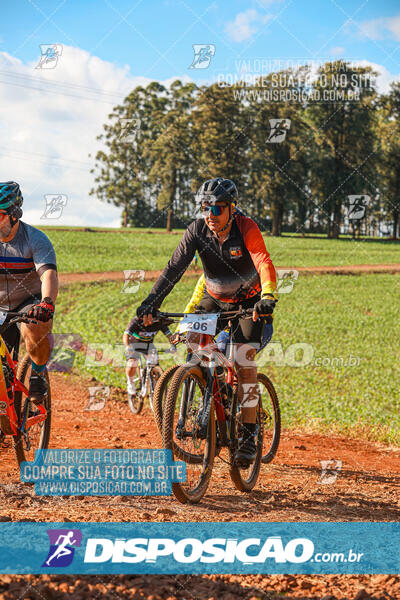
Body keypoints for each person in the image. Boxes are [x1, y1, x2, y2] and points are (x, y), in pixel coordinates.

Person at [136, 177, 277, 466]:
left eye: (217, 210)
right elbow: (174, 267)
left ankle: (249, 434)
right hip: (215, 300)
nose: (210, 216)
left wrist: (268, 296)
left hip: (248, 303)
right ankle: (208, 393)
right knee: (191, 341)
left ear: (231, 208)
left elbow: (263, 260)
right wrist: (152, 302)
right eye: (205, 209)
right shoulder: (197, 230)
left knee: (243, 360)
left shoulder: (246, 227)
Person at [0, 181, 58, 404]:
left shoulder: (35, 239)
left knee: (35, 324)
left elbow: (48, 275)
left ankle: (37, 373)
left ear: (15, 214)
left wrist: (46, 303)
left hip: (27, 301)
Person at [123, 315, 174, 403]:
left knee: (154, 365)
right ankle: (130, 382)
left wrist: (173, 345)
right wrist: (127, 346)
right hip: (134, 346)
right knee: (132, 364)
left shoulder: (159, 322)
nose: (151, 320)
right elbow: (126, 335)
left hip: (148, 346)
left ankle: (154, 386)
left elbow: (170, 336)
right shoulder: (136, 321)